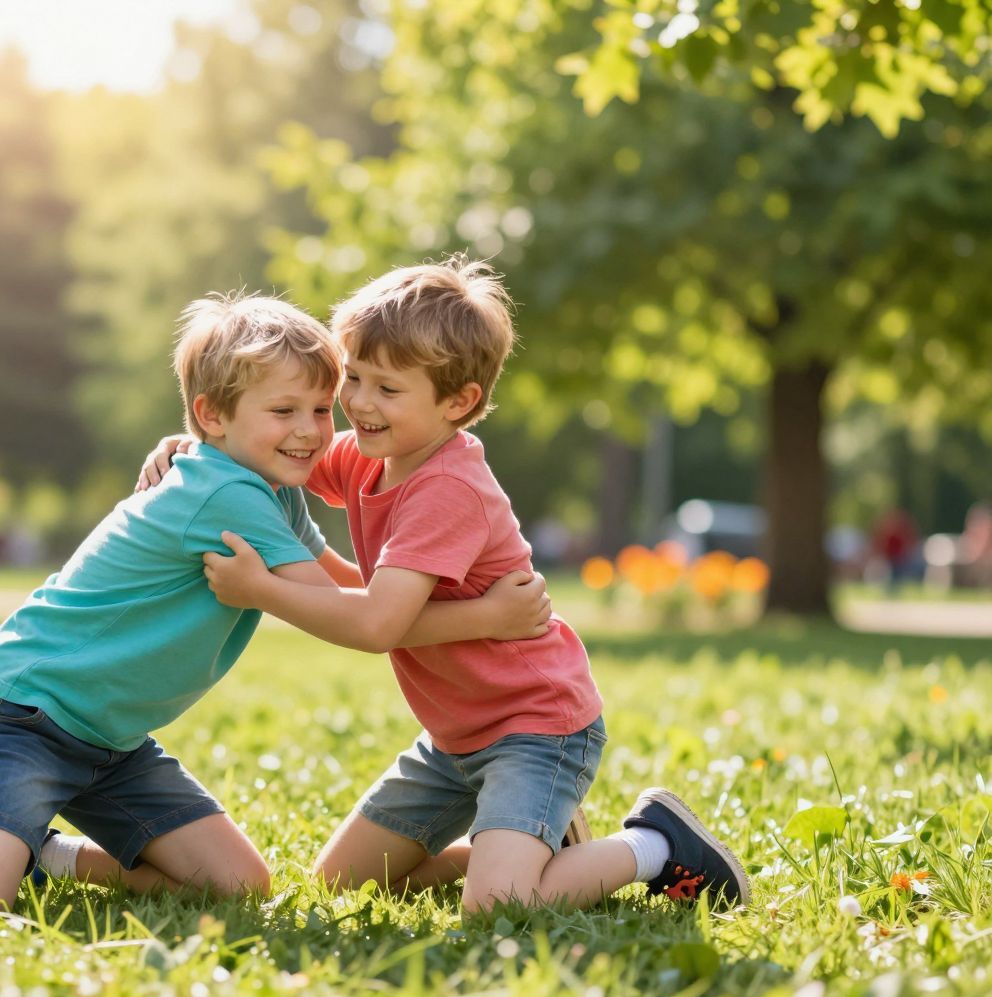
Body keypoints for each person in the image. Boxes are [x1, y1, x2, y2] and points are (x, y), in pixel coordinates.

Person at [0, 294, 554, 909]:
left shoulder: (268, 483)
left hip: (106, 740)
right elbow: (355, 618)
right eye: (285, 409)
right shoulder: (224, 493)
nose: (312, 430)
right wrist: (484, 617)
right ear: (214, 417)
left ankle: (42, 857)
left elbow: (344, 590)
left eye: (321, 408)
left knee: (238, 886)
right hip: (25, 713)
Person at [145, 258, 748, 914]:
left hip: (533, 727)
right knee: (342, 884)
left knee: (499, 906)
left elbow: (379, 626)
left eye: (388, 389)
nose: (359, 405)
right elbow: (275, 451)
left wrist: (261, 589)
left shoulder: (447, 488)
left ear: (458, 403)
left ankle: (653, 845)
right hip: (456, 736)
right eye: (355, 378)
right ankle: (543, 846)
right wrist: (203, 443)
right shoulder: (366, 456)